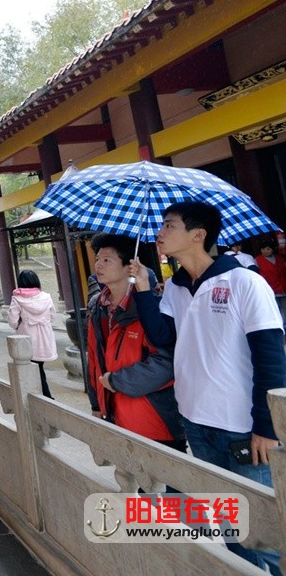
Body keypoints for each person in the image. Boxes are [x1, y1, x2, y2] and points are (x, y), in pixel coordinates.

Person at [132, 201, 285, 574]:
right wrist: (142, 289)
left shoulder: (244, 282)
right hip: (197, 423)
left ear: (198, 235)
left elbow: (271, 358)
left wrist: (267, 427)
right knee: (229, 522)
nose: (160, 232)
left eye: (169, 225)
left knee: (259, 531)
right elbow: (161, 336)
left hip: (241, 426)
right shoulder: (177, 288)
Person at [85, 234, 185, 452]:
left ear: (130, 266)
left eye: (107, 260)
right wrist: (96, 404)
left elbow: (167, 363)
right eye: (97, 259)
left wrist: (117, 381)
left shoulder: (149, 307)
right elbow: (93, 357)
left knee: (167, 483)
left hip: (154, 418)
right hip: (114, 414)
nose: (98, 265)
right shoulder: (97, 307)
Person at [7, 270, 56, 399]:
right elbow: (52, 316)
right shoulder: (46, 296)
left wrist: (19, 325)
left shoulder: (17, 299)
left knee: (34, 369)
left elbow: (12, 321)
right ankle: (44, 395)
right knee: (39, 367)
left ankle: (47, 397)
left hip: (28, 338)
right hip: (44, 339)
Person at [256, 238, 286, 322]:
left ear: (272, 249)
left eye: (268, 249)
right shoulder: (257, 260)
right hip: (269, 289)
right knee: (274, 309)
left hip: (283, 288)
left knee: (284, 309)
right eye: (263, 249)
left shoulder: (280, 258)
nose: (265, 251)